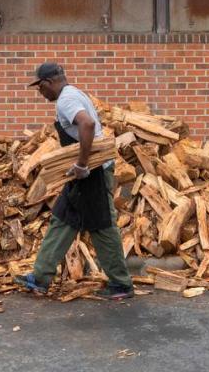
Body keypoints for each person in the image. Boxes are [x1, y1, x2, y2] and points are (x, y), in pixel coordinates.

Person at [15, 62, 134, 300]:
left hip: (92, 173)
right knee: (63, 218)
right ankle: (40, 277)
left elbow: (87, 124)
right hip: (88, 172)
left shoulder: (66, 100)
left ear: (47, 83)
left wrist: (81, 165)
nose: (40, 93)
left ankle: (121, 284)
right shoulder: (74, 93)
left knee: (102, 225)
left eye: (39, 88)